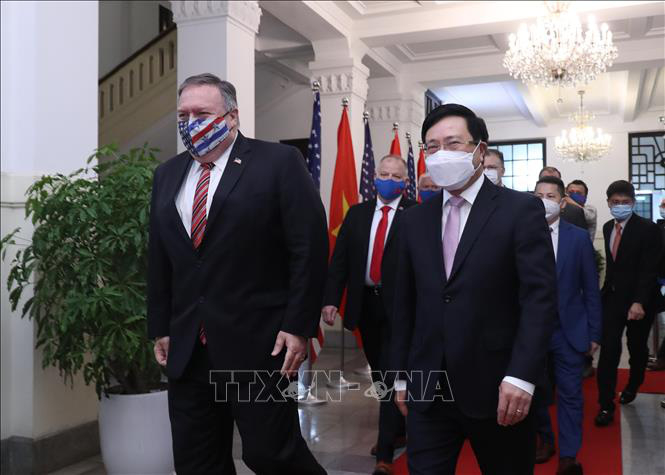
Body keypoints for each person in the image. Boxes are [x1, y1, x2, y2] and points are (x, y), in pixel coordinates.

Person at [147, 73, 329, 474]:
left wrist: (299, 325)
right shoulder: (168, 175)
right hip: (189, 346)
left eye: (202, 113)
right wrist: (160, 324)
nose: (190, 122)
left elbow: (308, 248)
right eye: (184, 114)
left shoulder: (279, 163)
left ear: (232, 117)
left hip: (258, 344)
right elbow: (160, 257)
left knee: (271, 454)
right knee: (197, 460)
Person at [392, 103, 558, 475]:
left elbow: (539, 300)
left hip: (500, 388)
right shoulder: (415, 219)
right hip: (429, 389)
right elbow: (404, 304)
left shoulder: (520, 210)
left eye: (453, 143)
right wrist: (401, 375)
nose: (441, 154)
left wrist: (521, 375)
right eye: (432, 147)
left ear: (480, 151)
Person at [322, 155, 417, 475]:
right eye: (384, 174)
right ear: (374, 176)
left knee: (392, 374)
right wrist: (331, 300)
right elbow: (340, 262)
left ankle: (385, 454)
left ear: (405, 181)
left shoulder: (416, 215)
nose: (388, 180)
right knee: (380, 375)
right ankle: (400, 427)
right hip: (366, 307)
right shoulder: (358, 214)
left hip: (402, 308)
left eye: (395, 176)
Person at [533, 176, 602, 475]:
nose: (544, 200)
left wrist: (595, 331)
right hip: (531, 331)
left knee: (571, 393)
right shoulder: (519, 234)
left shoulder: (577, 237)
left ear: (562, 202)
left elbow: (590, 288)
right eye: (538, 195)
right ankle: (545, 440)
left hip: (568, 330)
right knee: (535, 393)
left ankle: (569, 455)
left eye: (550, 195)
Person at [595, 181, 664, 427]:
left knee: (637, 348)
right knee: (609, 352)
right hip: (613, 299)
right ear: (608, 203)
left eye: (625, 202)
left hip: (639, 302)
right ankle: (605, 404)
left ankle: (634, 383)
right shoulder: (606, 227)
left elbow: (649, 269)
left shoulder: (648, 229)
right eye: (615, 202)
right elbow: (613, 267)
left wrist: (638, 301)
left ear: (633, 203)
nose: (620, 206)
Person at [647, 197, 665, 372]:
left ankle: (661, 356)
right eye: (663, 205)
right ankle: (657, 356)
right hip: (657, 280)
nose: (663, 208)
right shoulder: (657, 228)